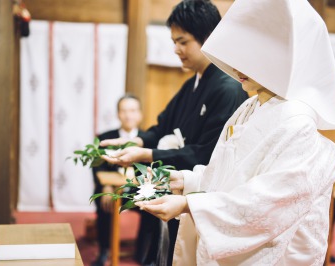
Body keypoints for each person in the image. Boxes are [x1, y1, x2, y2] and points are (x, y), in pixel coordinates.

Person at [136, 0, 335, 265]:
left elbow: (268, 204)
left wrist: (191, 204)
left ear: (283, 57)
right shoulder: (251, 106)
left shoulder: (297, 122)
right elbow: (229, 176)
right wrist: (186, 181)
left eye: (251, 55)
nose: (237, 65)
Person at [101, 0, 248, 264]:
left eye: (183, 42)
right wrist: (134, 140)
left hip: (198, 194)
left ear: (209, 38)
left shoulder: (227, 88)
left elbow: (206, 153)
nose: (176, 49)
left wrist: (144, 153)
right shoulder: (193, 83)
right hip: (176, 188)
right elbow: (162, 126)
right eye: (174, 42)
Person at [91, 94, 144, 266]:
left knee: (154, 207)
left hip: (138, 190)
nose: (128, 115)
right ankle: (104, 250)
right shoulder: (106, 138)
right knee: (103, 202)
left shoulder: (148, 138)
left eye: (133, 110)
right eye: (124, 111)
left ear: (140, 114)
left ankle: (144, 252)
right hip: (111, 189)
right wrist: (106, 186)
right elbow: (97, 166)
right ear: (118, 114)